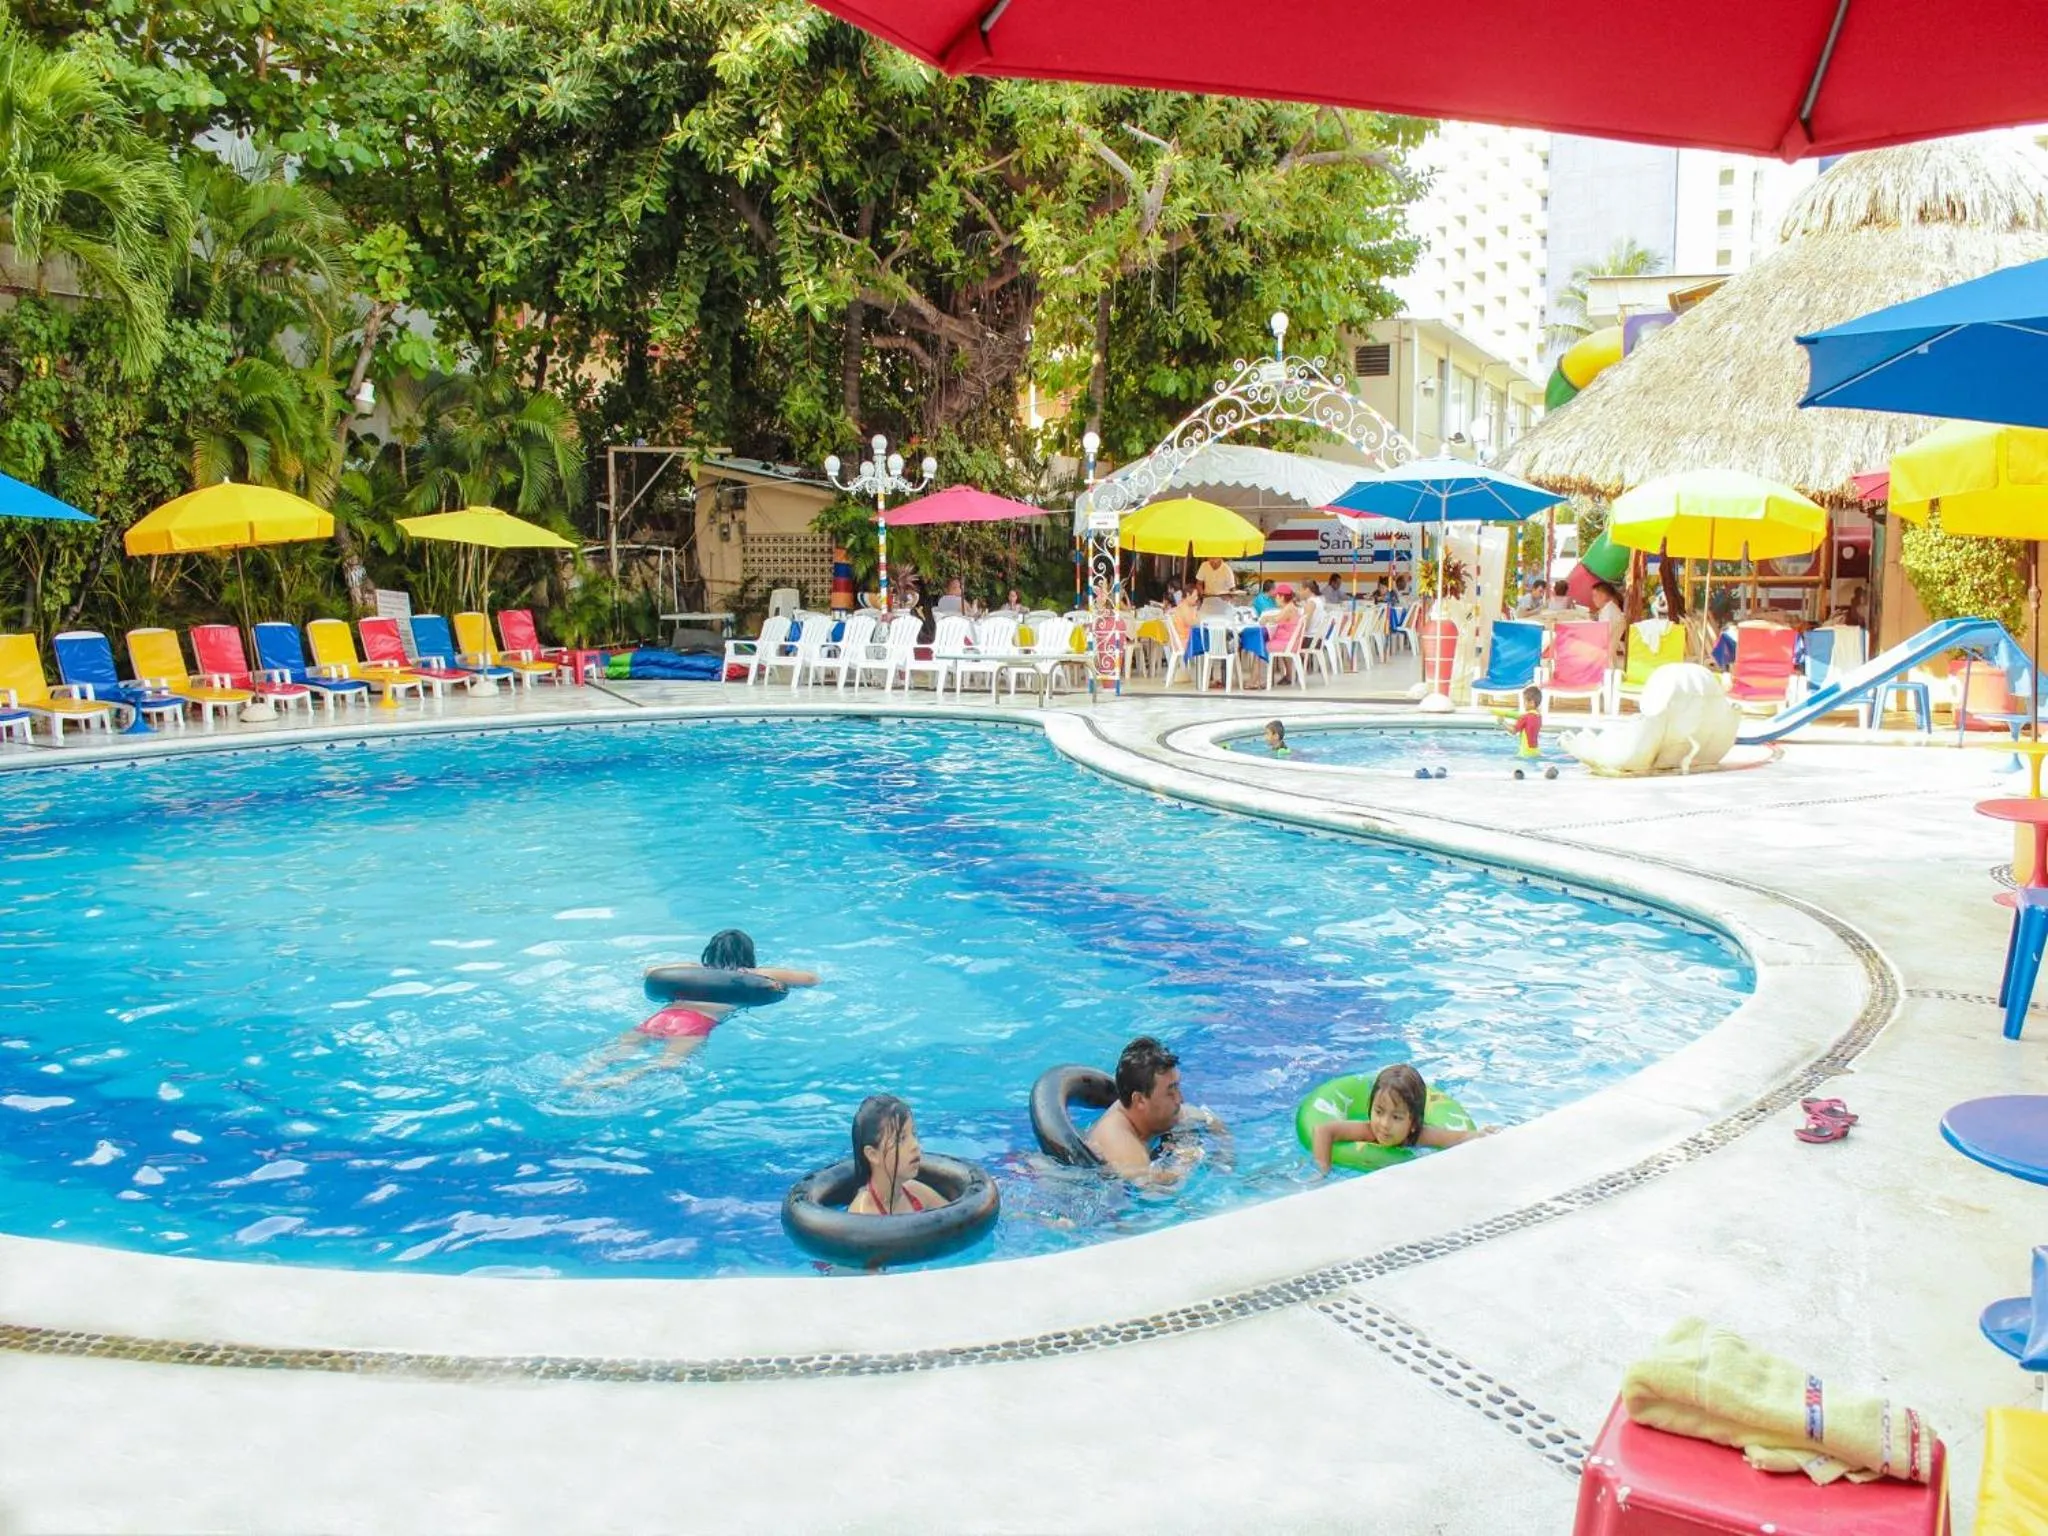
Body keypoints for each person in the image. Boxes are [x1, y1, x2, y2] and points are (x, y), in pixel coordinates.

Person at [568, 930, 819, 1089]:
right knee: (668, 1063)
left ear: (709, 952)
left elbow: (649, 971)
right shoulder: (751, 976)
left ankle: (575, 1077)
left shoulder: (693, 971)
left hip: (662, 1016)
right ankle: (620, 1079)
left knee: (614, 1053)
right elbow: (811, 979)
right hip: (694, 1023)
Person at [1309, 1063, 1497, 1175]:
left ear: (1413, 1123)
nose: (1384, 1124)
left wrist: (1482, 1134)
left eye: (1396, 1117)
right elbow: (1323, 1131)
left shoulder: (1421, 1135)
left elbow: (1458, 1137)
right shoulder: (1368, 1130)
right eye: (1379, 1112)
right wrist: (1323, 1170)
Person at [1084, 1036, 1226, 1180]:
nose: (1180, 1099)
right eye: (1170, 1092)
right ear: (1140, 1100)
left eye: (1177, 1086)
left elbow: (1211, 1120)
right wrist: (1184, 1162)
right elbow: (1152, 1189)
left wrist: (1225, 1158)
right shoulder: (1119, 1142)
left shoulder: (1156, 1110)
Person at [844, 1095, 948, 1215]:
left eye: (913, 1134)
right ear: (873, 1155)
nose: (915, 1145)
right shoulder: (862, 1214)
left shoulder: (917, 1193)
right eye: (900, 1139)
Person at [1505, 685, 1541, 760]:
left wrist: (1502, 722)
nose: (1524, 704)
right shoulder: (1538, 716)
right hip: (1536, 751)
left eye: (1524, 701)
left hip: (1525, 753)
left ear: (1531, 703)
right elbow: (1527, 725)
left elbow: (1513, 731)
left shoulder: (1525, 717)